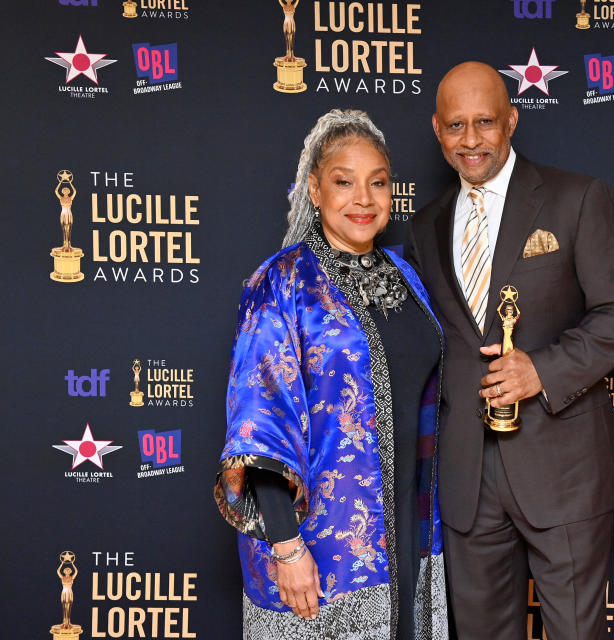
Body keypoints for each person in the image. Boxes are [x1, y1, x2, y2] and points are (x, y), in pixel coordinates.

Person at [406, 62, 614, 640]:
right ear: (437, 130)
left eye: (485, 122)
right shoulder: (425, 226)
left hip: (562, 469)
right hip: (467, 476)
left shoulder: (578, 198)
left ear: (512, 120)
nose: (471, 140)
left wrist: (541, 369)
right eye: (456, 125)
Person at [215, 109, 447, 640]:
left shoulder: (405, 274)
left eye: (378, 183)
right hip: (322, 545)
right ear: (314, 191)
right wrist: (287, 546)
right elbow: (260, 422)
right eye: (344, 183)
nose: (363, 199)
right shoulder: (282, 281)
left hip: (413, 531)